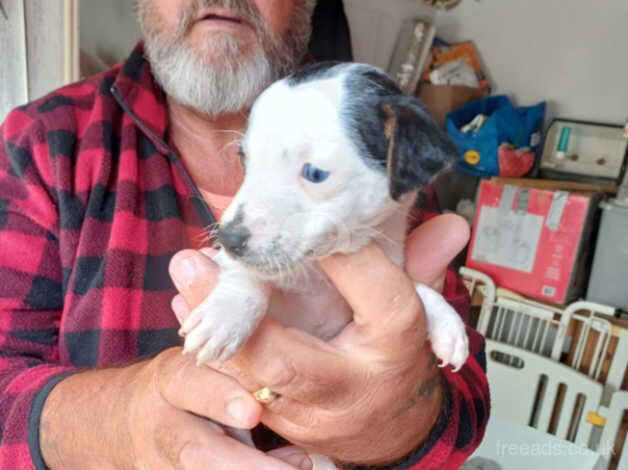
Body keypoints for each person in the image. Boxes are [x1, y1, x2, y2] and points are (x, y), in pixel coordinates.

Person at [0, 0, 489, 468]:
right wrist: (111, 427)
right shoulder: (44, 143)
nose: (237, 220)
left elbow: (465, 397)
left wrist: (403, 422)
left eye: (316, 174)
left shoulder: (380, 150)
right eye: (245, 161)